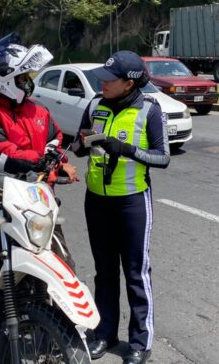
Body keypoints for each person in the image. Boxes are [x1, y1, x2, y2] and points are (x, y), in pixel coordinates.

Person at [0, 33, 79, 364]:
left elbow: (55, 138)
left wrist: (54, 159)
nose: (28, 82)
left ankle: (65, 327)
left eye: (28, 76)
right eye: (23, 77)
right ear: (4, 79)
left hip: (36, 199)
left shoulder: (37, 109)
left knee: (64, 262)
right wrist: (35, 160)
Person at [72, 51, 170, 364]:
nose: (102, 82)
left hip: (131, 202)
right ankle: (104, 333)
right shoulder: (94, 105)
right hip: (96, 200)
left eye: (109, 78)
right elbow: (75, 147)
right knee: (104, 272)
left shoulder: (149, 110)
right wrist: (81, 142)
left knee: (136, 273)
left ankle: (141, 342)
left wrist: (126, 149)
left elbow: (162, 156)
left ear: (128, 83)